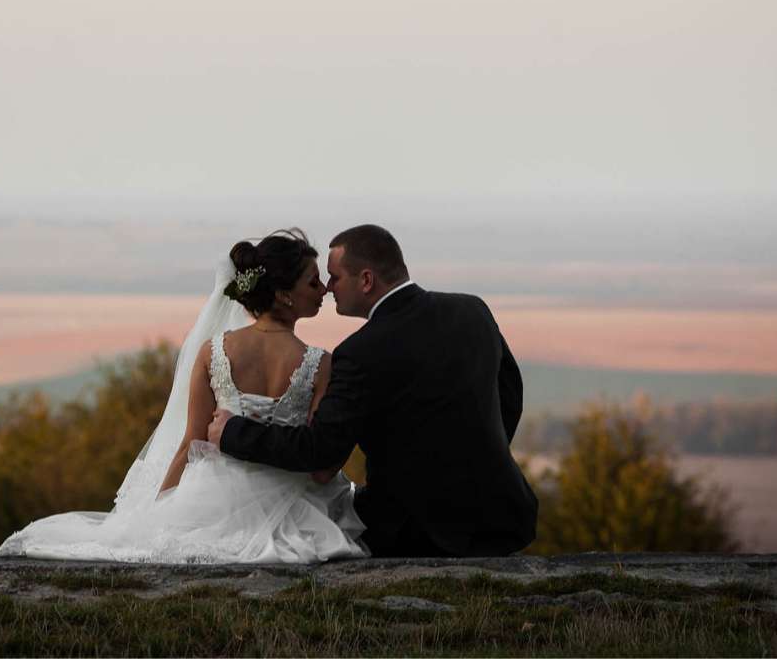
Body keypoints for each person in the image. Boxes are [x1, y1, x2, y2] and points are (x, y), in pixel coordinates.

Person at [0, 229, 366, 563]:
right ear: (284, 295)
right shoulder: (320, 363)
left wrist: (160, 508)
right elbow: (320, 468)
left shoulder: (214, 351)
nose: (325, 291)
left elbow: (192, 442)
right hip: (293, 505)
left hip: (214, 499)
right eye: (314, 283)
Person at [210, 224, 538, 556]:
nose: (328, 289)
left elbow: (321, 449)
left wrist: (233, 432)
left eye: (335, 278)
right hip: (502, 515)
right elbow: (510, 396)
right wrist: (477, 461)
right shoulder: (473, 311)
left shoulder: (360, 352)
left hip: (416, 531)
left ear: (366, 281)